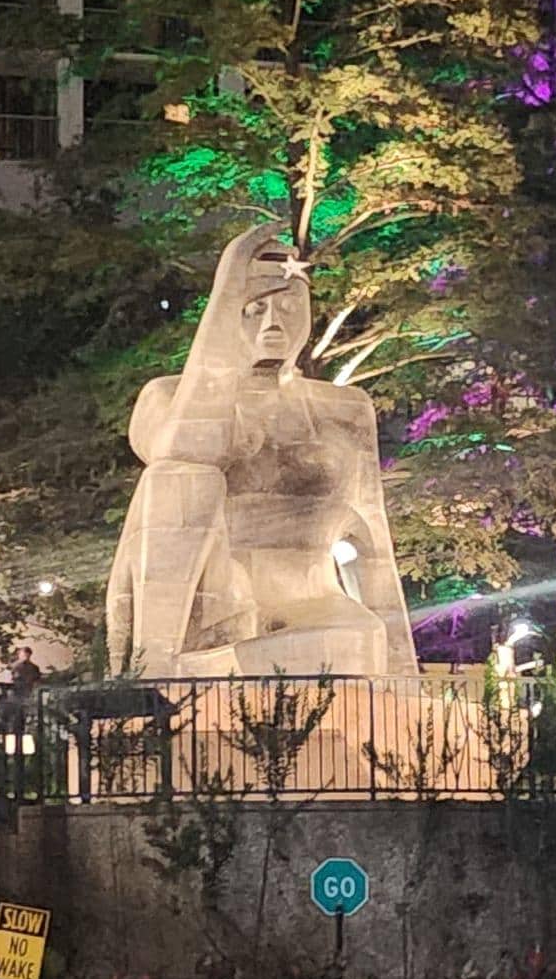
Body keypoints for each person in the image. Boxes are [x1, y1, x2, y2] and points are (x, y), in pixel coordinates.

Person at [106, 225, 417, 678]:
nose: (273, 324)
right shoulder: (166, 396)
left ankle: (211, 671)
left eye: (289, 307)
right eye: (253, 309)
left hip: (315, 604)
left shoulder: (346, 409)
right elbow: (182, 451)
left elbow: (375, 546)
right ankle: (154, 672)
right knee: (181, 473)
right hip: (215, 597)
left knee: (355, 643)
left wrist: (404, 676)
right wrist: (227, 289)